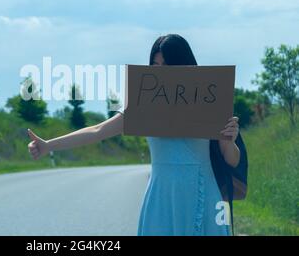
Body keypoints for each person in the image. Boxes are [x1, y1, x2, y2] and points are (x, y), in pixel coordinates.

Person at [27, 34, 240, 236]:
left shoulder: (207, 100)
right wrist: (48, 145)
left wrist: (229, 140)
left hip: (202, 192)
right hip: (161, 198)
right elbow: (97, 130)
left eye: (167, 66)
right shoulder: (142, 105)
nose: (162, 72)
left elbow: (231, 158)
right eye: (156, 66)